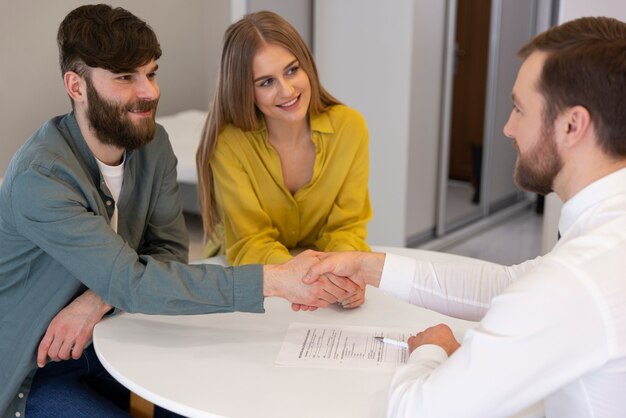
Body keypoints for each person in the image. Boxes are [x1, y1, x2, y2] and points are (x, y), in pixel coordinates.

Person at [0, 5, 358, 418]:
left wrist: (98, 299)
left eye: (150, 73)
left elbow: (168, 253)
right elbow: (134, 283)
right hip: (38, 371)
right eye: (124, 78)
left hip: (117, 339)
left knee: (219, 400)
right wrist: (276, 280)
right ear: (76, 86)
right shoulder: (41, 179)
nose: (149, 91)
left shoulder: (153, 146)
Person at [304, 16, 626, 418]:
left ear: (572, 125)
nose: (508, 128)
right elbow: (512, 285)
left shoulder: (576, 281)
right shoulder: (608, 234)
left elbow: (416, 411)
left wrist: (431, 350)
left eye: (520, 109)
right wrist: (369, 268)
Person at [195, 11, 372, 292]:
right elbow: (251, 242)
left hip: (323, 275)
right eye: (266, 82)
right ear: (245, 91)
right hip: (252, 277)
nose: (287, 90)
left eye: (292, 70)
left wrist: (340, 273)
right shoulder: (229, 145)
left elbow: (347, 228)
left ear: (307, 66)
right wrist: (310, 278)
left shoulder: (350, 128)